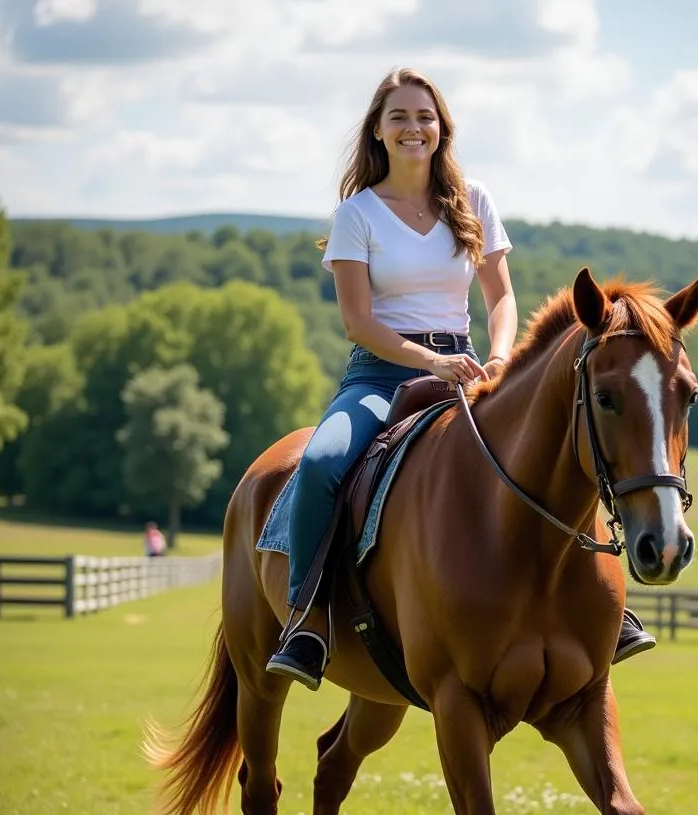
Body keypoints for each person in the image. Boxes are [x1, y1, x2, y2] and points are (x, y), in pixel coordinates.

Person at [266, 67, 655, 692]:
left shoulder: (474, 201)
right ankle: (307, 622)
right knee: (321, 463)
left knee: (564, 450)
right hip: (382, 373)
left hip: (472, 366)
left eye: (424, 116)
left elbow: (502, 298)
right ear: (378, 131)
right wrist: (429, 361)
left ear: (441, 127)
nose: (413, 128)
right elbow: (357, 322)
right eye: (399, 117)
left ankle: (607, 606)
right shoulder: (357, 215)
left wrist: (501, 356)